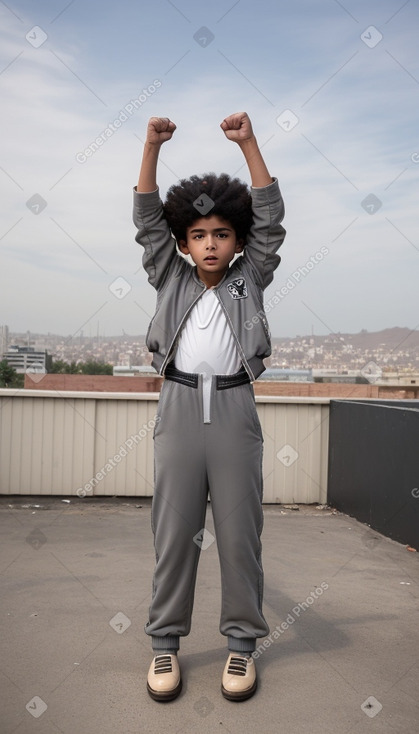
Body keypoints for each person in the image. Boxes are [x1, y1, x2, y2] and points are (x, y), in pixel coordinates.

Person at [133, 111, 286, 702]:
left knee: (240, 535)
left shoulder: (250, 278)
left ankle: (241, 649)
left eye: (221, 234)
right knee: (173, 534)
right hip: (176, 408)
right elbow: (146, 218)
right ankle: (165, 645)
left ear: (237, 241)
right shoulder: (168, 275)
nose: (210, 244)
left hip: (234, 411)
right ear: (184, 242)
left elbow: (271, 218)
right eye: (199, 235)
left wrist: (249, 143)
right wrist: (151, 146)